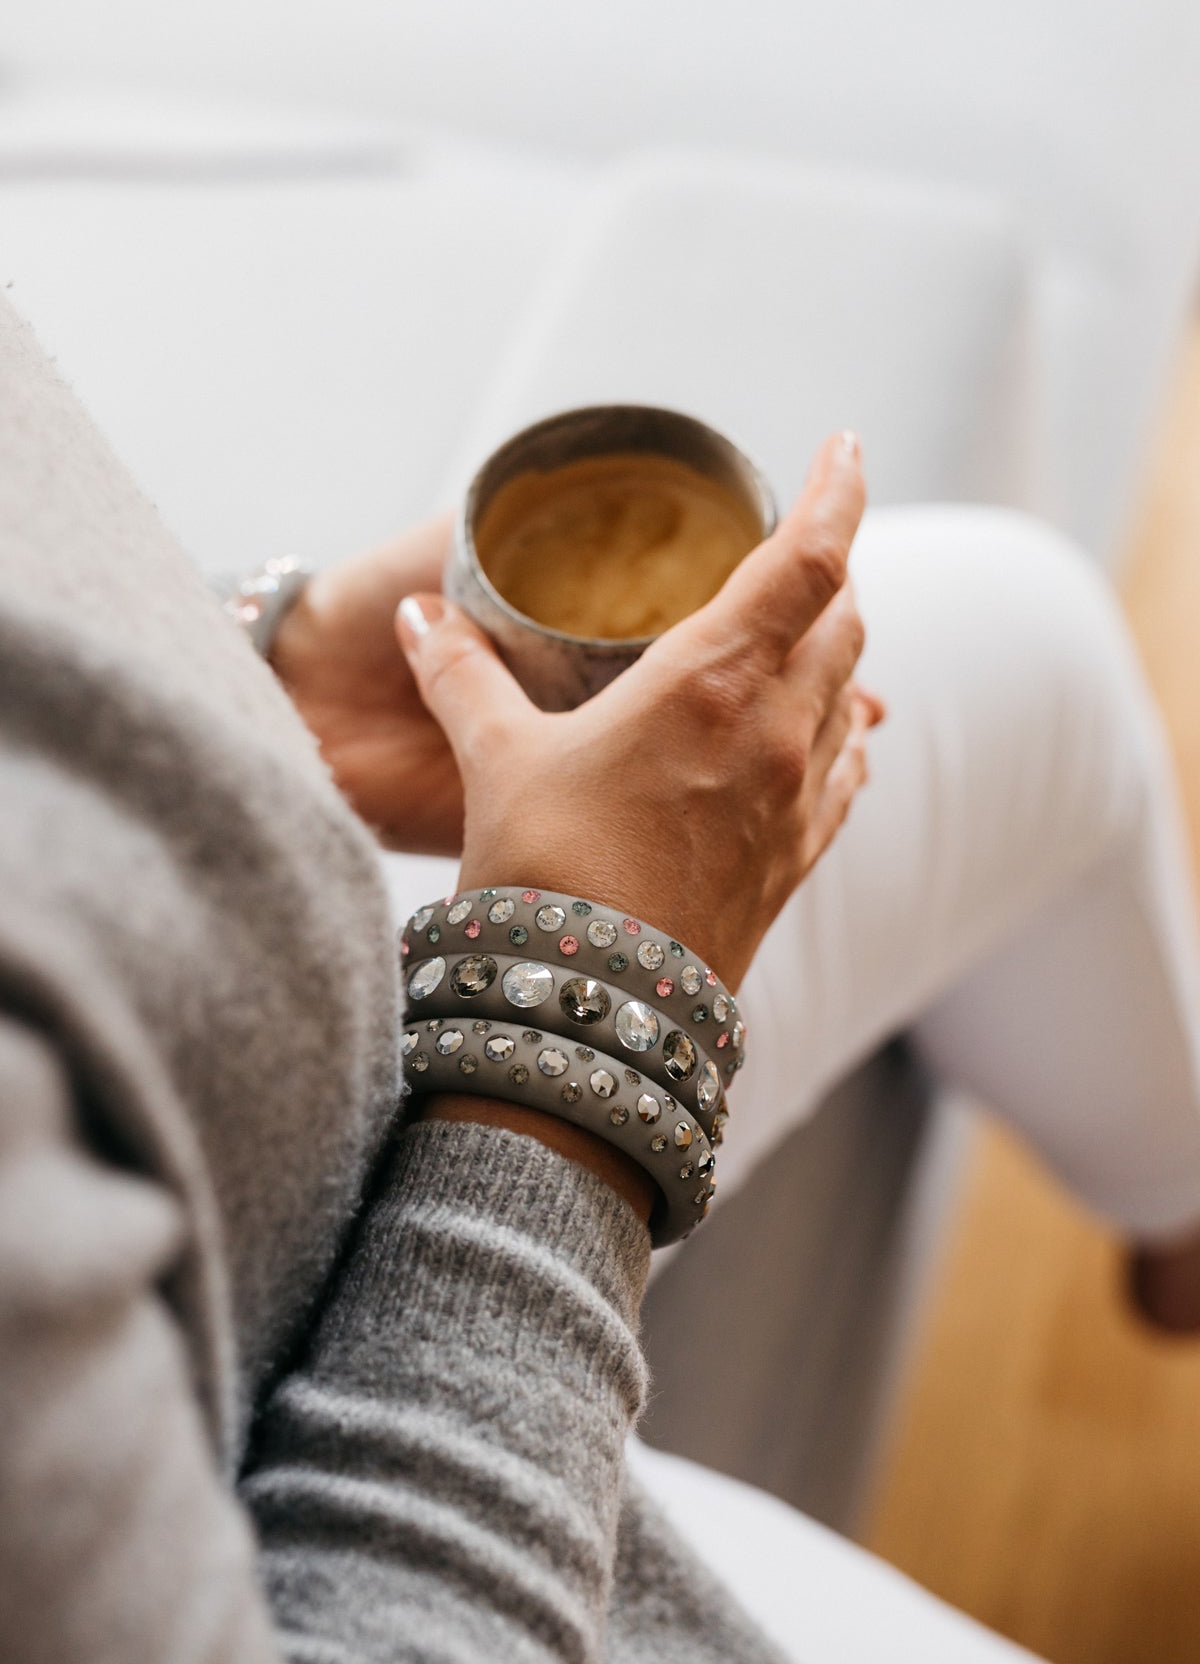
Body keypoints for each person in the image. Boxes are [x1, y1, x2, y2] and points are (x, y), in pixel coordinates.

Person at [2, 280, 1199, 1664]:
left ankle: (1173, 1206)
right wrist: (597, 1009)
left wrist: (253, 675)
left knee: (1034, 634)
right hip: (317, 1460)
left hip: (260, 952)